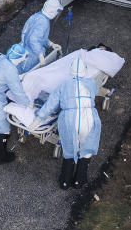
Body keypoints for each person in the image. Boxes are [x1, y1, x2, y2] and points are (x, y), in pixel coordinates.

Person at [34, 59, 101, 190]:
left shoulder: (63, 86)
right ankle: (79, 181)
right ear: (85, 70)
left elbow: (51, 104)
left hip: (70, 119)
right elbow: (95, 91)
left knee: (70, 148)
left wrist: (40, 116)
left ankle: (65, 181)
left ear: (70, 70)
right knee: (86, 148)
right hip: (89, 118)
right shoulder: (91, 83)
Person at [16, 0, 63, 74]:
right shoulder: (43, 22)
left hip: (22, 51)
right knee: (26, 77)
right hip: (30, 57)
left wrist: (51, 44)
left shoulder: (37, 16)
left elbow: (39, 38)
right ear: (52, 12)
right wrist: (40, 55)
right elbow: (33, 39)